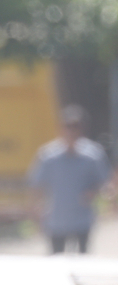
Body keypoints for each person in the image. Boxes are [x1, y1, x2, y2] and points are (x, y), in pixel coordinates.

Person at [29, 104, 112, 254]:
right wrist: (37, 211)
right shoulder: (48, 156)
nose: (71, 131)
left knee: (82, 258)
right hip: (56, 218)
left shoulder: (93, 155)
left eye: (76, 127)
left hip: (82, 218)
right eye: (68, 126)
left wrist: (94, 192)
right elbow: (37, 185)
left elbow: (104, 181)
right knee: (56, 259)